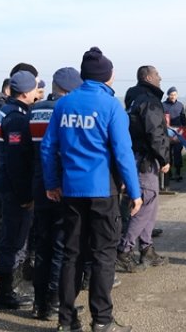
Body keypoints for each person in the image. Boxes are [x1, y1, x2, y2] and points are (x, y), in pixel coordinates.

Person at [41, 47, 141, 332]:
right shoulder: (112, 107)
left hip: (71, 190)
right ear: (107, 76)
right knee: (103, 256)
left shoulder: (63, 105)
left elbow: (49, 148)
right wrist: (135, 192)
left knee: (71, 255)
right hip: (102, 192)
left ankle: (66, 320)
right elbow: (123, 152)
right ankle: (102, 320)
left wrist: (52, 184)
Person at [28, 67, 79, 321]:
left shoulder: (35, 109)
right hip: (61, 184)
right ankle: (54, 301)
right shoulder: (68, 110)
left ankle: (39, 303)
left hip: (39, 185)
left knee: (42, 245)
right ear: (70, 88)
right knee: (62, 245)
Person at [0, 70, 45, 310]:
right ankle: (7, 292)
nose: (38, 91)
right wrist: (25, 195)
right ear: (25, 92)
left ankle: (8, 288)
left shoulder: (6, 109)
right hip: (15, 188)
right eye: (35, 87)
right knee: (14, 241)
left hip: (7, 183)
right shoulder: (15, 117)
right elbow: (15, 160)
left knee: (12, 238)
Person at [117, 66, 170, 273]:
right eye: (157, 75)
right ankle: (124, 250)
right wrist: (164, 157)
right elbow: (155, 133)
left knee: (151, 206)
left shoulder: (133, 99)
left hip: (137, 158)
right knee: (145, 206)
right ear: (148, 77)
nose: (160, 78)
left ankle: (147, 250)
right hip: (145, 161)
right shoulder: (149, 101)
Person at [161, 87, 186, 182]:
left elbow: (183, 119)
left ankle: (178, 172)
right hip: (166, 133)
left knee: (177, 153)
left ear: (177, 95)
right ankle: (169, 173)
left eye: (175, 95)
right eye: (171, 95)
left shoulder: (180, 105)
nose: (173, 97)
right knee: (168, 153)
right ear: (168, 95)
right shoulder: (163, 105)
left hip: (178, 133)